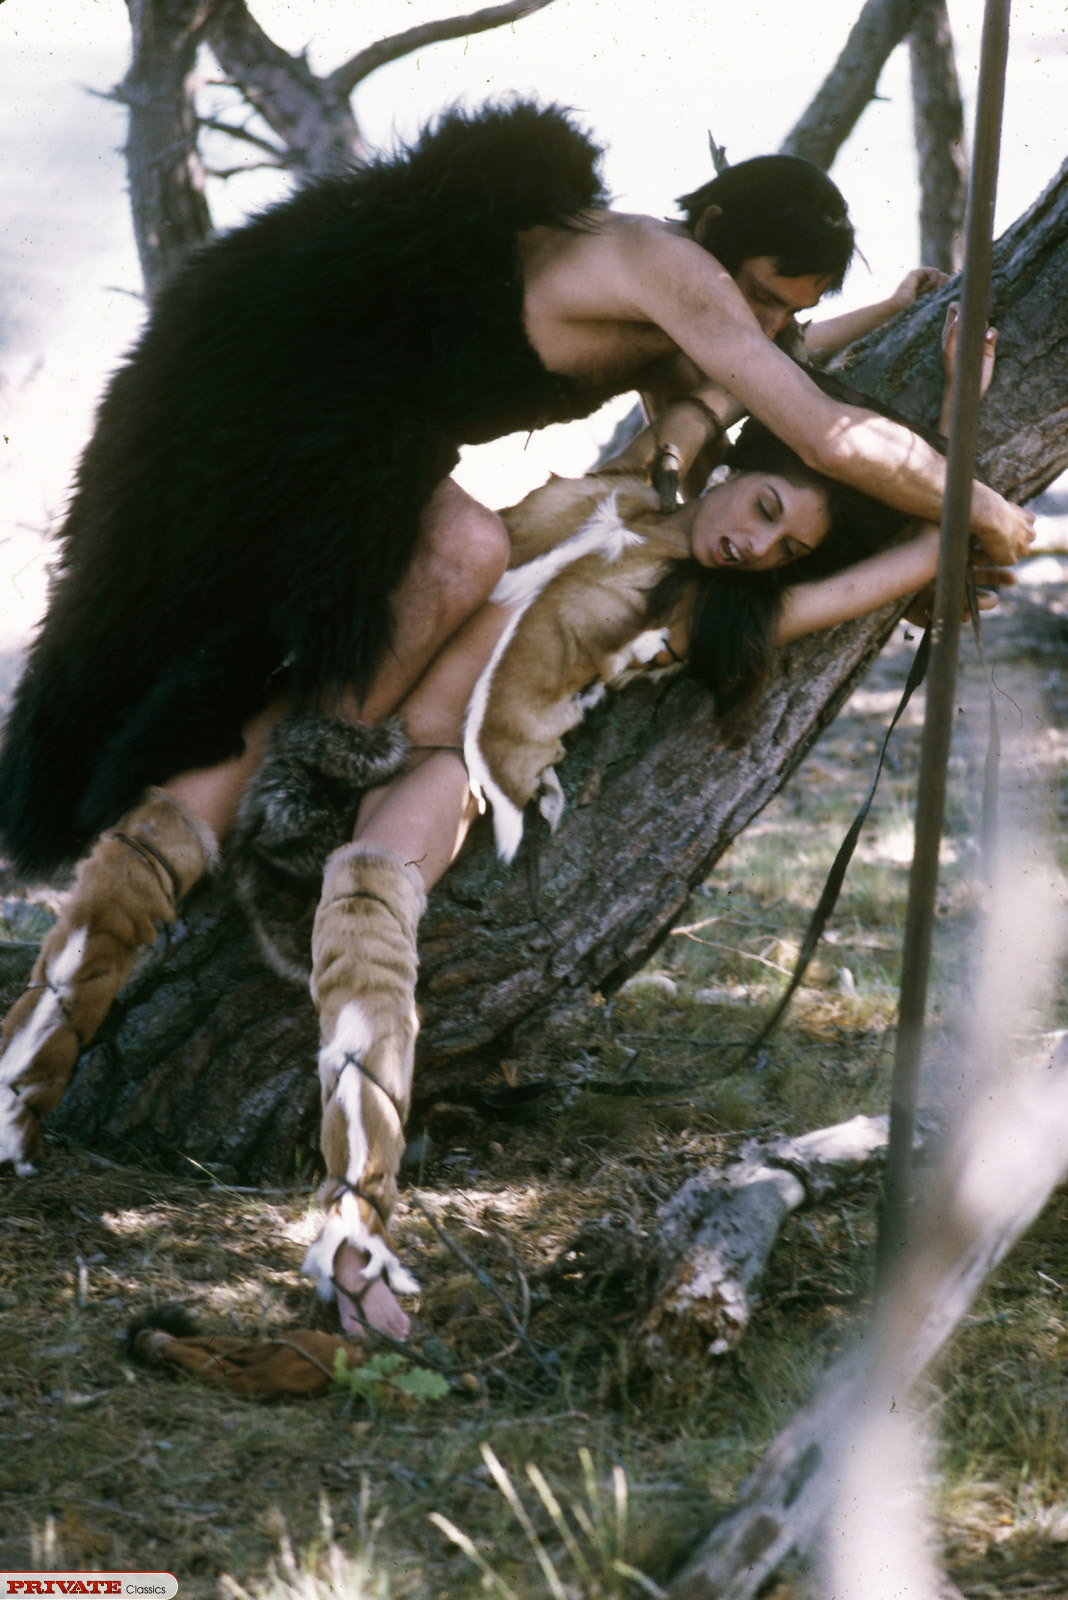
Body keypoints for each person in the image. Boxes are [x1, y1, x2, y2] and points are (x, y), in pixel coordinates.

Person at [0, 98, 1029, 1324]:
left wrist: (966, 481)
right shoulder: (638, 467)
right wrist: (911, 378)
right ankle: (17, 1092)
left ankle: (354, 1227)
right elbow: (776, 393)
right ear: (739, 467)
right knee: (161, 832)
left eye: (781, 547)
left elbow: (873, 523)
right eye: (762, 508)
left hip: (450, 756)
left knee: (370, 915)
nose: (756, 544)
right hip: (351, 682)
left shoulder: (695, 607)